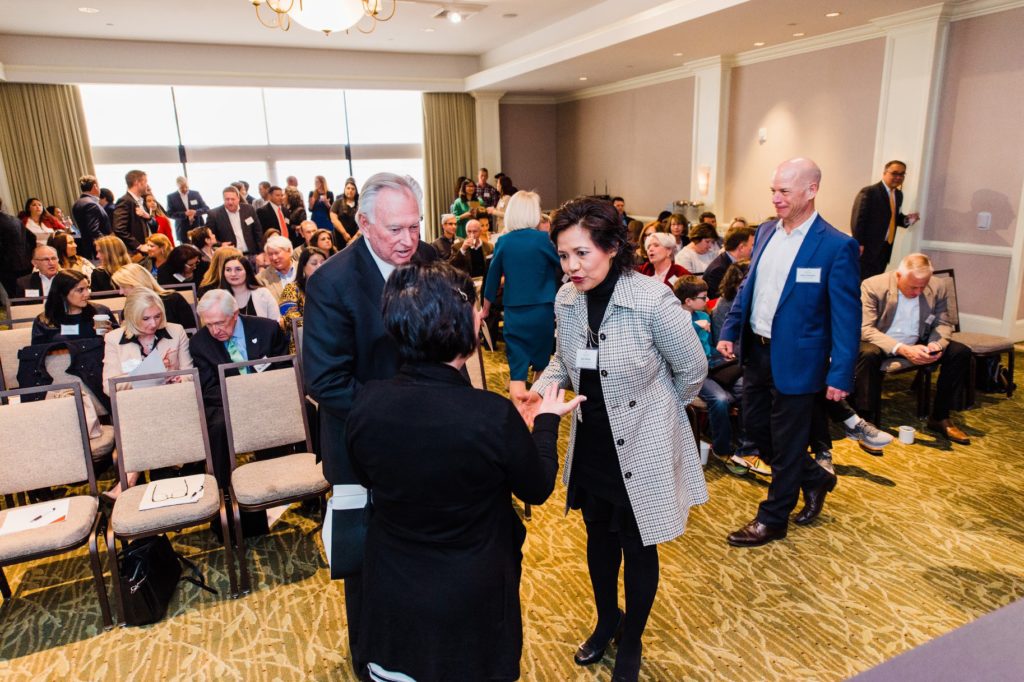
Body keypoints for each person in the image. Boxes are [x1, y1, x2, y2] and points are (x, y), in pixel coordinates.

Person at [345, 262, 581, 682]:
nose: (482, 315)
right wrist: (544, 421)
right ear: (455, 325)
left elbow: (368, 475)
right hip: (470, 591)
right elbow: (538, 486)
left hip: (392, 585)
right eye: (474, 309)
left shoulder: (368, 401)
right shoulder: (489, 415)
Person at [519, 196, 707, 682]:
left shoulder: (651, 298)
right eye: (563, 255)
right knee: (599, 541)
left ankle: (634, 638)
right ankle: (607, 621)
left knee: (638, 546)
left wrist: (655, 408)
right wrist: (538, 396)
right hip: (593, 444)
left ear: (611, 247)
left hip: (642, 444)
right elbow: (562, 361)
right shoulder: (568, 298)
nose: (572, 266)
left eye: (582, 253)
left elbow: (691, 370)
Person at [303, 172, 438, 679]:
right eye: (394, 229)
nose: (408, 240)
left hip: (427, 443)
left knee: (420, 553)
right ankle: (368, 660)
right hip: (360, 448)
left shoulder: (428, 263)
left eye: (414, 226)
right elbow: (326, 380)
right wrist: (403, 415)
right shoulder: (332, 281)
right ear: (362, 223)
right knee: (366, 565)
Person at [717, 158, 860, 547]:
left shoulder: (836, 246)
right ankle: (815, 478)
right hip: (758, 353)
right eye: (773, 191)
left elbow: (847, 316)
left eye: (785, 192)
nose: (776, 199)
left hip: (801, 360)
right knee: (758, 430)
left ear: (811, 190)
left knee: (789, 438)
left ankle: (773, 518)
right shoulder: (765, 232)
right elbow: (749, 289)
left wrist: (841, 373)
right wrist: (731, 328)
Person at [854, 253, 972, 444]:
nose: (918, 292)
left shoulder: (938, 286)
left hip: (919, 340)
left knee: (960, 352)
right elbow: (865, 329)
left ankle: (940, 417)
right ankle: (866, 421)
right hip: (881, 342)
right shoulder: (873, 285)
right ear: (899, 276)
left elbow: (943, 323)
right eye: (913, 287)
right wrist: (902, 349)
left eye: (922, 287)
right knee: (867, 354)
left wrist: (935, 345)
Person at [189, 289, 288, 487]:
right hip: (226, 403)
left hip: (270, 394)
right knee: (217, 426)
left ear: (235, 314)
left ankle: (298, 476)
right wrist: (242, 398)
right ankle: (223, 488)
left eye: (219, 323)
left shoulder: (267, 329)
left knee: (307, 410)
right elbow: (208, 389)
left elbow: (285, 371)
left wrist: (263, 395)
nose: (215, 330)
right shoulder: (200, 343)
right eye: (208, 324)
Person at [481, 191, 561, 401]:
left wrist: (486, 309)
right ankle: (537, 414)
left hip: (515, 312)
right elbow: (563, 266)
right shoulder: (545, 240)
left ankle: (520, 418)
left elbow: (492, 279)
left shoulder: (504, 242)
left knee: (517, 370)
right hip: (542, 310)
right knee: (542, 365)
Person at [675, 275, 744, 464]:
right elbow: (678, 350)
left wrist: (723, 352)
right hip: (691, 370)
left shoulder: (704, 316)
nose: (707, 301)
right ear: (688, 301)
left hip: (712, 364)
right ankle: (722, 448)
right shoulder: (674, 319)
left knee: (747, 389)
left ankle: (744, 444)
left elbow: (710, 345)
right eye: (703, 298)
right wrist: (694, 327)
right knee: (721, 400)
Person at [101, 288, 192, 395]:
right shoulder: (114, 338)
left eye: (157, 316)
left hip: (173, 396)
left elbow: (190, 374)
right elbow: (109, 387)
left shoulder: (176, 331)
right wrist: (150, 374)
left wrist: (180, 379)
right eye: (146, 318)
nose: (154, 324)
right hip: (136, 403)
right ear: (132, 317)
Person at [852, 160, 921, 280]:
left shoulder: (898, 195)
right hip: (866, 250)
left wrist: (907, 220)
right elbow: (858, 219)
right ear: (884, 173)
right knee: (861, 285)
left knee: (875, 284)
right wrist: (859, 243)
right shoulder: (869, 192)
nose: (898, 177)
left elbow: (893, 218)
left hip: (885, 249)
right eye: (894, 173)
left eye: (902, 174)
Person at [31, 270, 116, 344]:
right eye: (80, 290)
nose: (87, 294)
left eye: (87, 288)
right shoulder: (44, 320)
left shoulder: (100, 312)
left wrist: (112, 335)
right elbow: (38, 354)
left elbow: (120, 344)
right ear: (63, 293)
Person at [112, 263, 198, 329]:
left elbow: (190, 331)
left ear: (136, 284)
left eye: (123, 287)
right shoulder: (128, 309)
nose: (120, 292)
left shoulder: (173, 300)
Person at [279, 247, 326, 352]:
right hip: (304, 344)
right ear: (303, 267)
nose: (319, 266)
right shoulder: (291, 288)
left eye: (323, 262)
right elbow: (290, 317)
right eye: (314, 263)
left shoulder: (332, 288)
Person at [206, 186, 264, 260]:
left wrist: (261, 252)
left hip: (252, 254)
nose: (230, 202)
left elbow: (258, 231)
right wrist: (220, 245)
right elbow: (209, 237)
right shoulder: (214, 214)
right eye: (227, 199)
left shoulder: (249, 209)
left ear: (238, 199)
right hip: (230, 256)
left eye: (233, 199)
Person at [220, 253, 280, 322]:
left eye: (238, 269)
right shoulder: (219, 298)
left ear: (247, 271)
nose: (233, 274)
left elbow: (276, 323)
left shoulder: (263, 293)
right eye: (228, 270)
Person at [702, 224, 755, 299]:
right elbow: (722, 300)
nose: (755, 248)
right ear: (741, 247)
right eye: (753, 245)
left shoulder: (736, 262)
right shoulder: (718, 269)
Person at [111, 169, 155, 261]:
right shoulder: (125, 201)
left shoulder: (141, 200)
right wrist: (138, 246)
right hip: (135, 254)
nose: (147, 185)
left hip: (147, 250)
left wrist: (147, 216)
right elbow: (119, 228)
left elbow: (153, 225)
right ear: (137, 183)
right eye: (145, 181)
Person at [72, 175, 111, 261]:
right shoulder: (91, 204)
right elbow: (94, 230)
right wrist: (108, 244)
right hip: (98, 250)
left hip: (88, 248)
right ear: (95, 186)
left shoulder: (77, 203)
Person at [0, 198, 32, 298]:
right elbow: (32, 238)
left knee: (15, 296)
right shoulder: (15, 219)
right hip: (25, 263)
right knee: (28, 294)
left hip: (6, 266)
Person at [167, 176, 210, 245]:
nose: (185, 189)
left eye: (186, 187)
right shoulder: (171, 197)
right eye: (182, 188)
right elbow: (170, 214)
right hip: (183, 231)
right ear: (177, 186)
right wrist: (184, 214)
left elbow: (206, 208)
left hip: (198, 228)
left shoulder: (195, 194)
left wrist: (196, 212)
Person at [256, 235, 295, 302]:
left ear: (288, 251)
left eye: (277, 253)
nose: (274, 258)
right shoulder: (261, 279)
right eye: (270, 254)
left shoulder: (305, 269)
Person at [329, 177, 359, 246]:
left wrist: (355, 237)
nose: (350, 190)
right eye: (348, 188)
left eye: (353, 189)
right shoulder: (337, 202)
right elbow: (333, 219)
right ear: (344, 189)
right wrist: (344, 233)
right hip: (340, 237)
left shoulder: (360, 203)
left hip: (357, 237)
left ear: (356, 190)